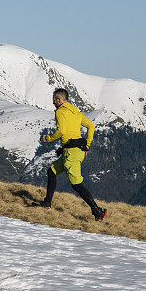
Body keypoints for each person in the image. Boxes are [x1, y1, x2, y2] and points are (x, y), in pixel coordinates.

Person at [33, 88, 107, 221]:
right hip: (75, 151)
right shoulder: (76, 112)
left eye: (54, 99)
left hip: (70, 154)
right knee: (52, 171)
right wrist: (87, 145)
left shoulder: (60, 112)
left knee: (76, 184)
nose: (53, 101)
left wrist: (48, 138)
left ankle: (97, 211)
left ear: (59, 100)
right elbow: (91, 126)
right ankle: (47, 203)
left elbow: (61, 131)